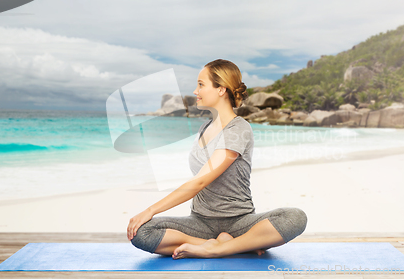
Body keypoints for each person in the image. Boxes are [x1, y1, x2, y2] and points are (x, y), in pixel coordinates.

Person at [128, 59, 307, 259]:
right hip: (200, 223)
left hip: (240, 222)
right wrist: (147, 216)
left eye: (201, 85)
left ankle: (218, 249)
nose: (196, 91)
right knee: (141, 232)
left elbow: (201, 181)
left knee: (295, 218)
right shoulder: (204, 128)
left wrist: (150, 209)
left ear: (221, 89)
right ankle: (227, 246)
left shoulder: (238, 129)